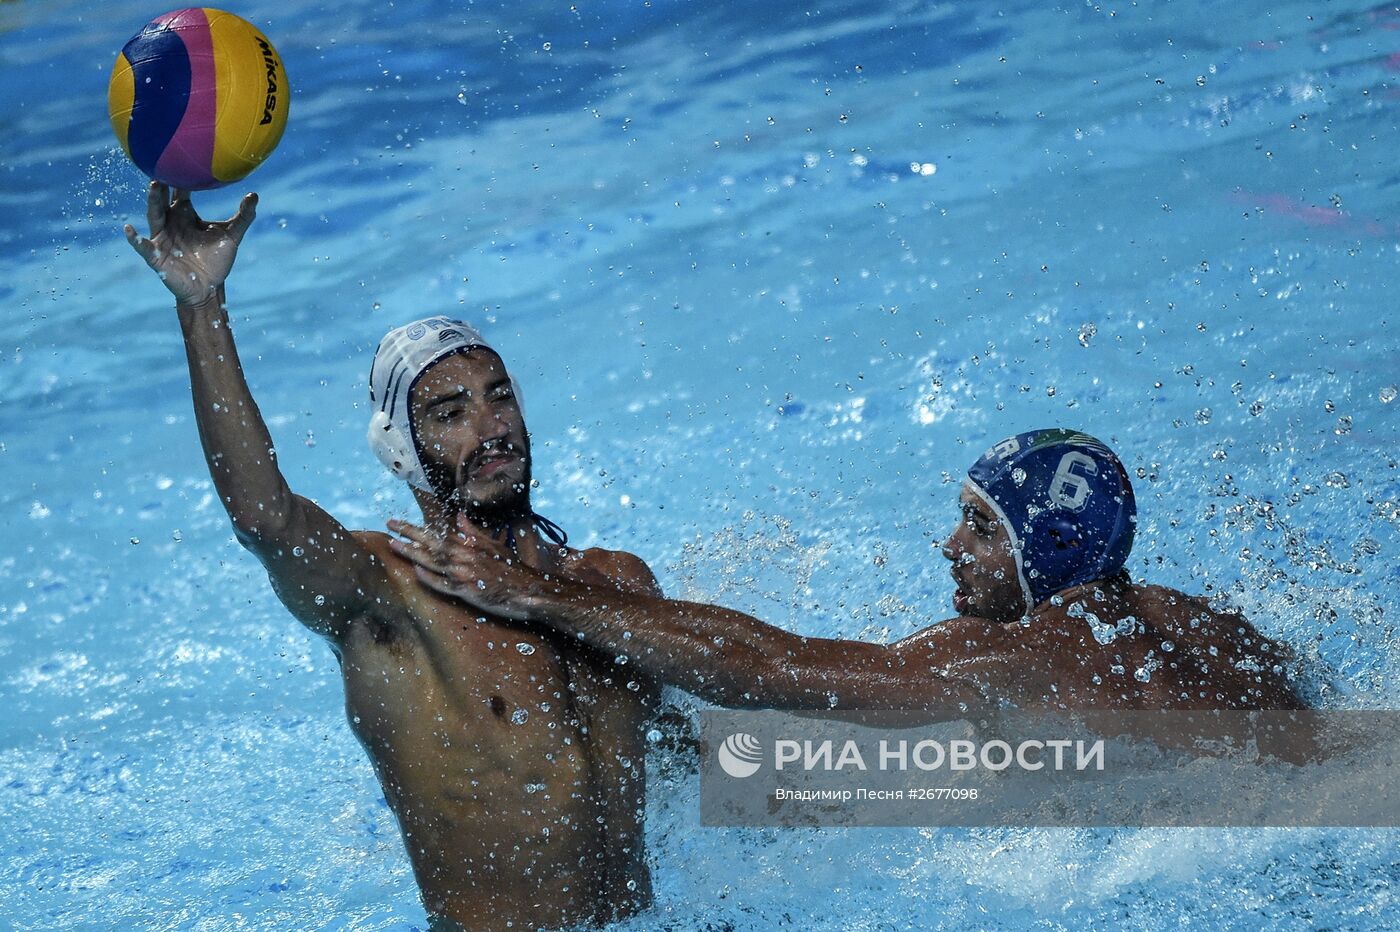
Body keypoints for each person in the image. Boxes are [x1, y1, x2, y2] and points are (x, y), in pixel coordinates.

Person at [124, 183, 662, 931]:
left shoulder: (613, 583)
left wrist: (864, 773)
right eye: (450, 413)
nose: (491, 425)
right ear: (404, 454)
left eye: (498, 396)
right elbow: (263, 517)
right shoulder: (390, 599)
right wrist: (201, 305)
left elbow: (682, 753)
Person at [389, 428, 1303, 711]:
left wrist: (541, 594)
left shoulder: (1017, 663)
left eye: (981, 530)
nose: (949, 546)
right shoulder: (1191, 621)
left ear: (1046, 554)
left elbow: (778, 669)